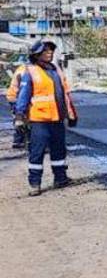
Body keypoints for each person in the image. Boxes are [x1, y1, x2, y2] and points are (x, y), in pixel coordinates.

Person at [13, 40, 78, 196]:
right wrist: (19, 116)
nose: (49, 53)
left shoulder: (56, 70)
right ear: (37, 55)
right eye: (45, 51)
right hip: (39, 120)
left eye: (50, 51)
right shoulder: (31, 72)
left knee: (59, 151)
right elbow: (23, 96)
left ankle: (60, 178)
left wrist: (71, 114)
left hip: (57, 119)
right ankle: (35, 183)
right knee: (37, 152)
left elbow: (64, 95)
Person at [6, 62, 28, 149]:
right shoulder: (25, 71)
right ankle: (19, 141)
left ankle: (19, 141)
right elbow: (23, 89)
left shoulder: (23, 68)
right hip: (16, 97)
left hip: (14, 96)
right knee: (21, 119)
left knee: (19, 119)